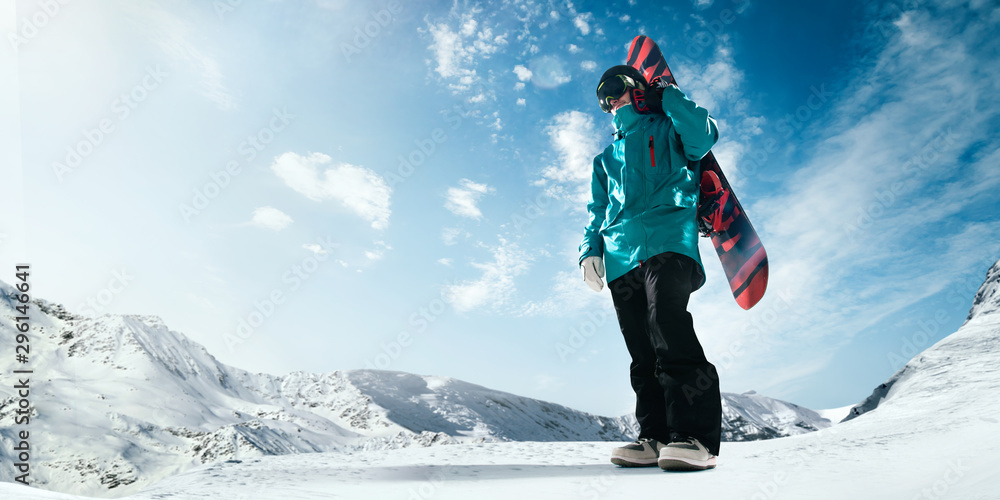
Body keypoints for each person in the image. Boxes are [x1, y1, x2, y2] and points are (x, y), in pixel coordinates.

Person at [579, 65, 722, 471]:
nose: (610, 101)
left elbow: (703, 136)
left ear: (638, 89)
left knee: (668, 325)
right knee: (641, 349)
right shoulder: (604, 159)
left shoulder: (670, 126)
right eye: (603, 98)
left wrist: (670, 95)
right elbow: (597, 211)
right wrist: (589, 250)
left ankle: (695, 438)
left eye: (615, 90)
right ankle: (654, 437)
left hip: (668, 238)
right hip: (621, 254)